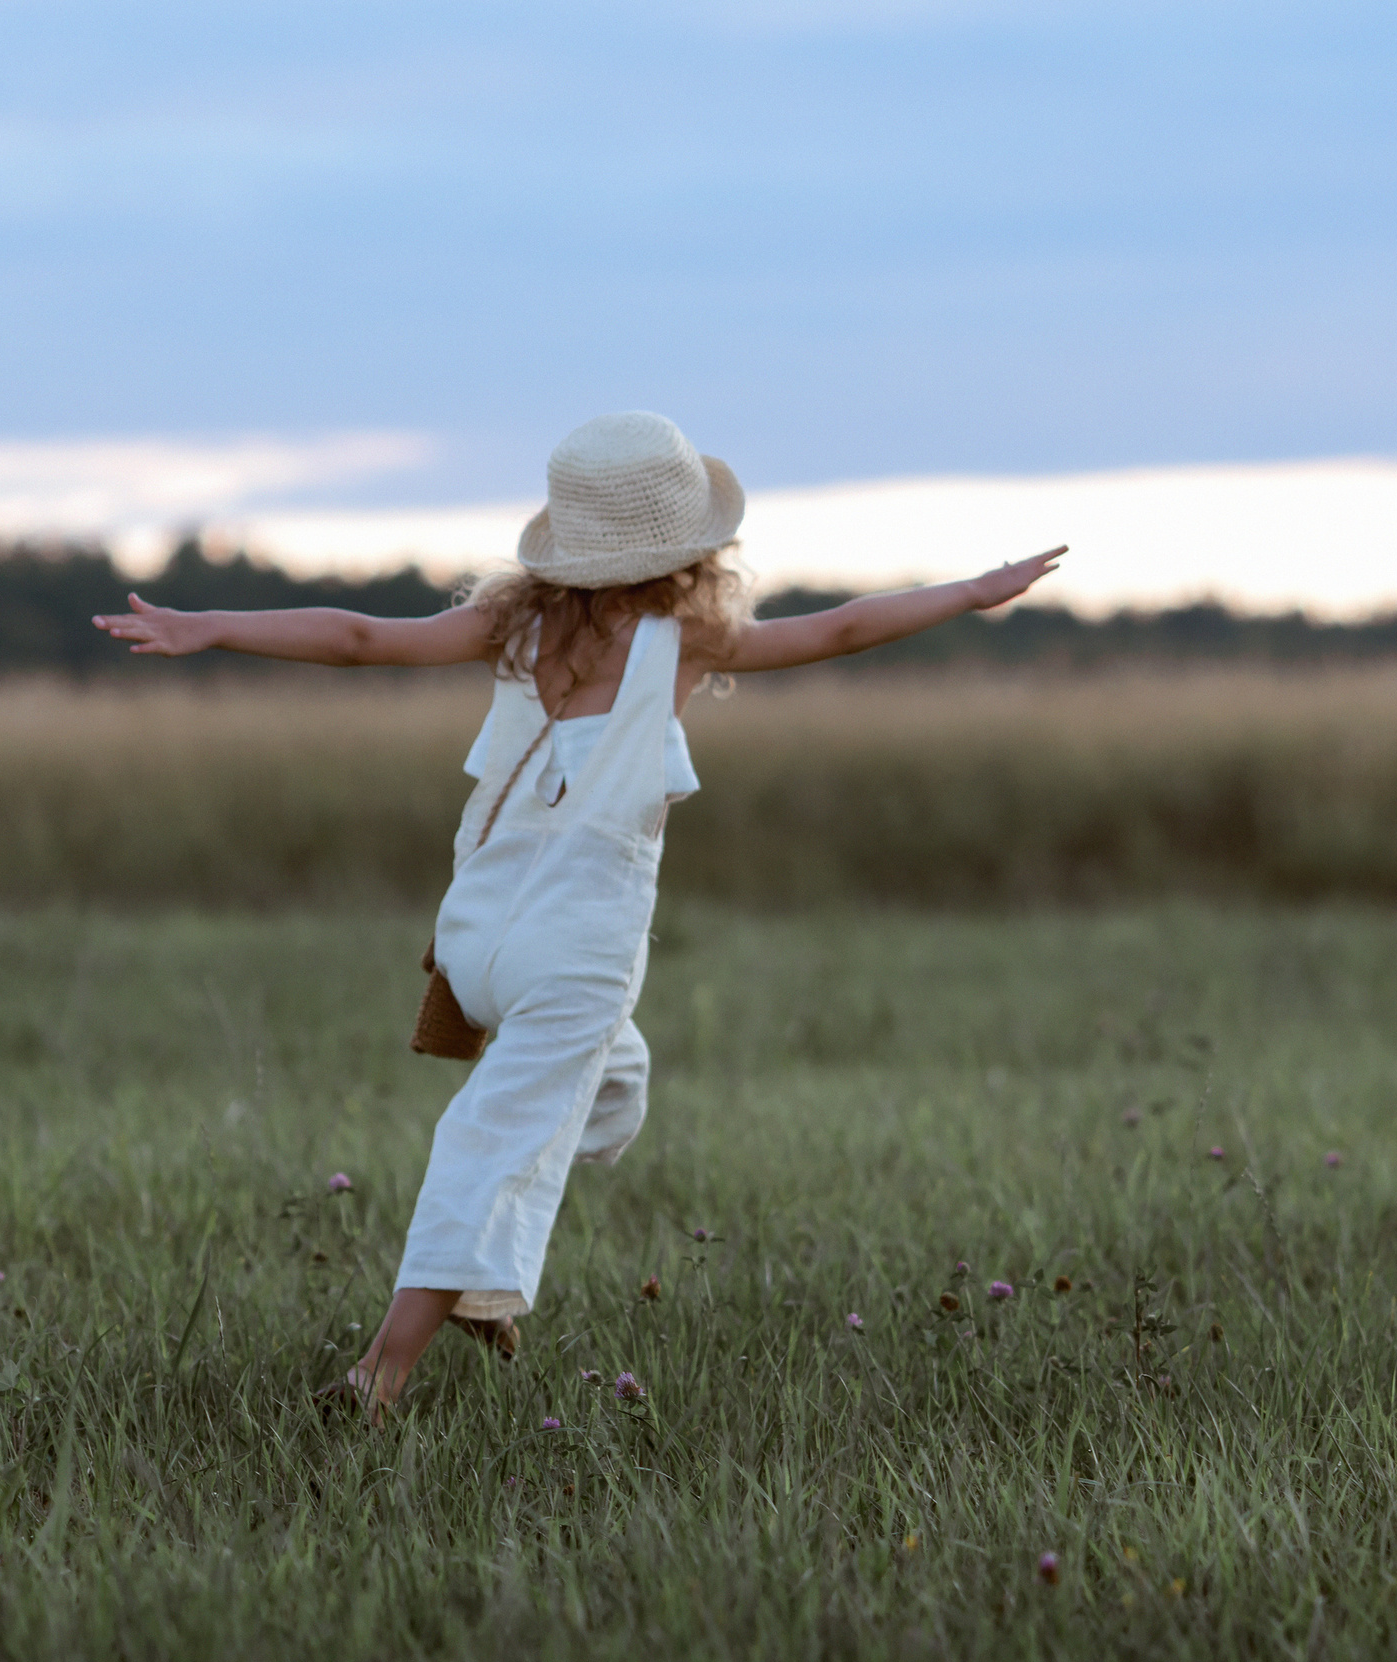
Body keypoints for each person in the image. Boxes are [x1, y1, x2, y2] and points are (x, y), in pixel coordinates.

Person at [95, 411, 1063, 1421]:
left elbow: (356, 636)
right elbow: (844, 627)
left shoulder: (511, 626)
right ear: (689, 548)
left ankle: (479, 1276)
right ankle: (378, 1374)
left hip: (474, 936)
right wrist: (972, 592)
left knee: (613, 1084)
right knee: (490, 1141)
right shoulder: (683, 638)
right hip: (577, 949)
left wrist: (205, 625)